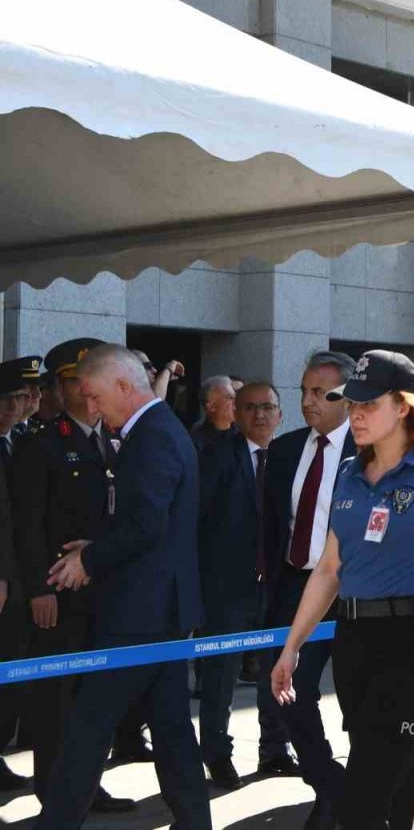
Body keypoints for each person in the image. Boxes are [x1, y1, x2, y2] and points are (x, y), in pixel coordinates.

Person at [271, 350, 414, 830]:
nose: (354, 414)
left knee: (362, 797)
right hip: (355, 641)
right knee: (395, 788)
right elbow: (329, 569)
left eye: (367, 405)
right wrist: (291, 646)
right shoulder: (350, 475)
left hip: (413, 640)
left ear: (402, 406)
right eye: (350, 404)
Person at [36, 345, 209, 830]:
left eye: (93, 396)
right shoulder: (159, 429)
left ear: (122, 387)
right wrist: (101, 543)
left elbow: (148, 525)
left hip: (141, 615)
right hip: (162, 609)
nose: (90, 408)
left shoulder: (151, 436)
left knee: (88, 727)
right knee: (173, 730)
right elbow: (152, 523)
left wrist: (89, 559)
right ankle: (196, 821)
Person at [10, 339, 137, 812]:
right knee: (55, 700)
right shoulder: (41, 445)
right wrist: (39, 590)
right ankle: (54, 791)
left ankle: (86, 785)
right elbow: (26, 526)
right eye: (74, 384)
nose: (86, 394)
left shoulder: (110, 439)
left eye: (91, 385)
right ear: (58, 389)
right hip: (58, 595)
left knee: (92, 698)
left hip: (101, 592)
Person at [259, 350, 357, 830]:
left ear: (347, 396)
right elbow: (271, 524)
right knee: (286, 691)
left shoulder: (371, 450)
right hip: (296, 588)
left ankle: (391, 789)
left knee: (361, 700)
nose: (308, 401)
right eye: (303, 391)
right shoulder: (285, 449)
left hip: (356, 595)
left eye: (320, 393)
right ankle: (330, 787)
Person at [197, 382, 298, 789]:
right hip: (226, 587)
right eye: (250, 407)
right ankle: (217, 756)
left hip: (278, 585)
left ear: (280, 413)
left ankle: (275, 749)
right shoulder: (215, 456)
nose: (260, 415)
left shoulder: (291, 457)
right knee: (219, 677)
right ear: (235, 413)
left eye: (268, 407)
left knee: (278, 670)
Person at [0, 357, 38, 790]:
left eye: (22, 397)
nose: (20, 405)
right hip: (5, 581)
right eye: (11, 398)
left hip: (19, 584)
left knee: (14, 678)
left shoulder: (21, 441)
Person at [190, 374, 237, 455]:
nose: (236, 402)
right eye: (230, 397)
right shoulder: (197, 443)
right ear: (212, 406)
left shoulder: (245, 434)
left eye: (236, 397)